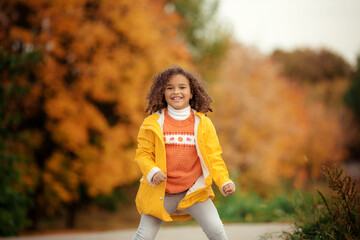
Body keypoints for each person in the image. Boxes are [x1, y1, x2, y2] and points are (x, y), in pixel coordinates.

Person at [132, 66, 236, 240]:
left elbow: (214, 158)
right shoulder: (152, 122)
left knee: (217, 232)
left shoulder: (203, 123)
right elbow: (143, 154)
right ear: (162, 92)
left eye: (182, 87)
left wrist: (224, 181)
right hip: (161, 192)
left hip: (194, 191)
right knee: (143, 236)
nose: (176, 92)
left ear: (192, 92)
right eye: (169, 87)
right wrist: (152, 172)